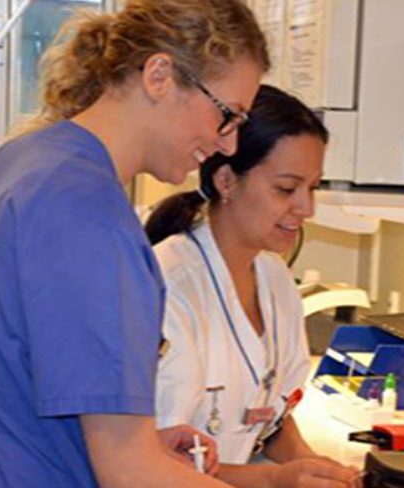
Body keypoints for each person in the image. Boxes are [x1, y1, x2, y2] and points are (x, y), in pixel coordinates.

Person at [0, 1, 269, 487]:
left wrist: (144, 441)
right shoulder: (86, 212)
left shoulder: (22, 161)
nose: (229, 145)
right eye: (228, 115)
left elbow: (10, 386)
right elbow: (130, 472)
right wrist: (142, 454)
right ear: (159, 75)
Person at [145, 85, 361, 488]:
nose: (306, 208)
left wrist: (311, 466)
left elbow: (270, 417)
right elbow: (151, 461)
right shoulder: (167, 286)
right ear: (227, 180)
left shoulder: (274, 275)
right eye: (286, 188)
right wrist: (275, 480)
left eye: (312, 187)